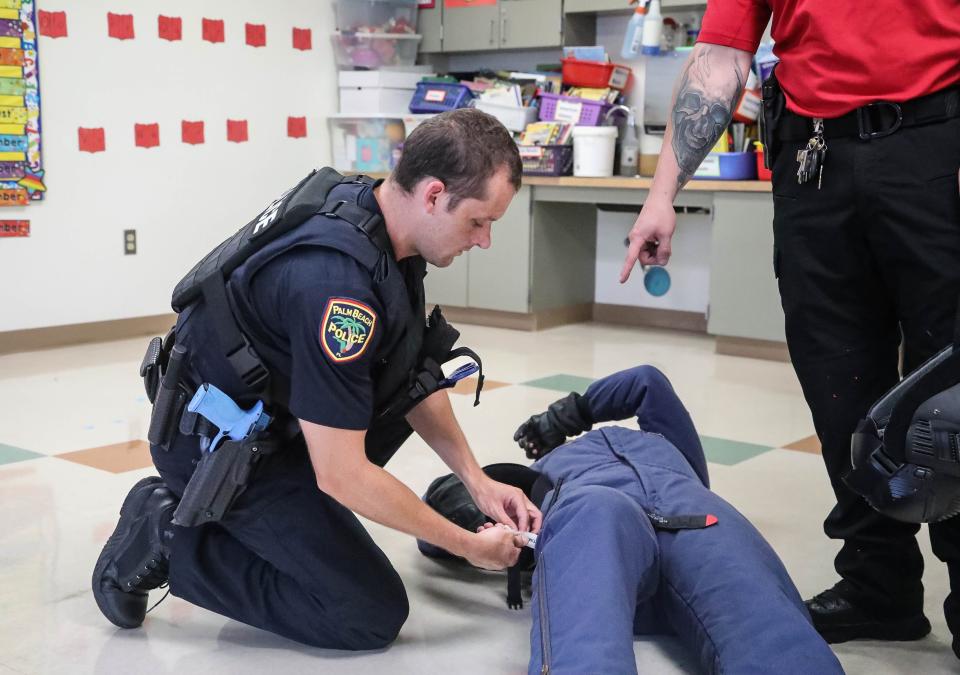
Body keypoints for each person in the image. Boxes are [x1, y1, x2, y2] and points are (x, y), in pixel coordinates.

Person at [91, 108, 542, 650]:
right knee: (366, 611)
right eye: (478, 221)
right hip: (216, 450)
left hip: (272, 427)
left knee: (363, 449)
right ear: (432, 194)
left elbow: (409, 376)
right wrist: (466, 545)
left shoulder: (379, 223)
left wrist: (478, 481)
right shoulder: (337, 289)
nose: (485, 240)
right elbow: (342, 475)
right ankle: (164, 531)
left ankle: (258, 519)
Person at [619, 0, 960, 652]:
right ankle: (878, 584)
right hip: (813, 156)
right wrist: (663, 193)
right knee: (838, 376)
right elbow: (720, 58)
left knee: (950, 385)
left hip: (936, 145)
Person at [419, 365, 844, 674]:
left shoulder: (681, 460)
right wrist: (495, 526)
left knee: (773, 635)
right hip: (597, 516)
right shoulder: (532, 485)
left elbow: (647, 383)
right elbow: (438, 501)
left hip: (694, 517)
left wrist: (566, 416)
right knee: (594, 514)